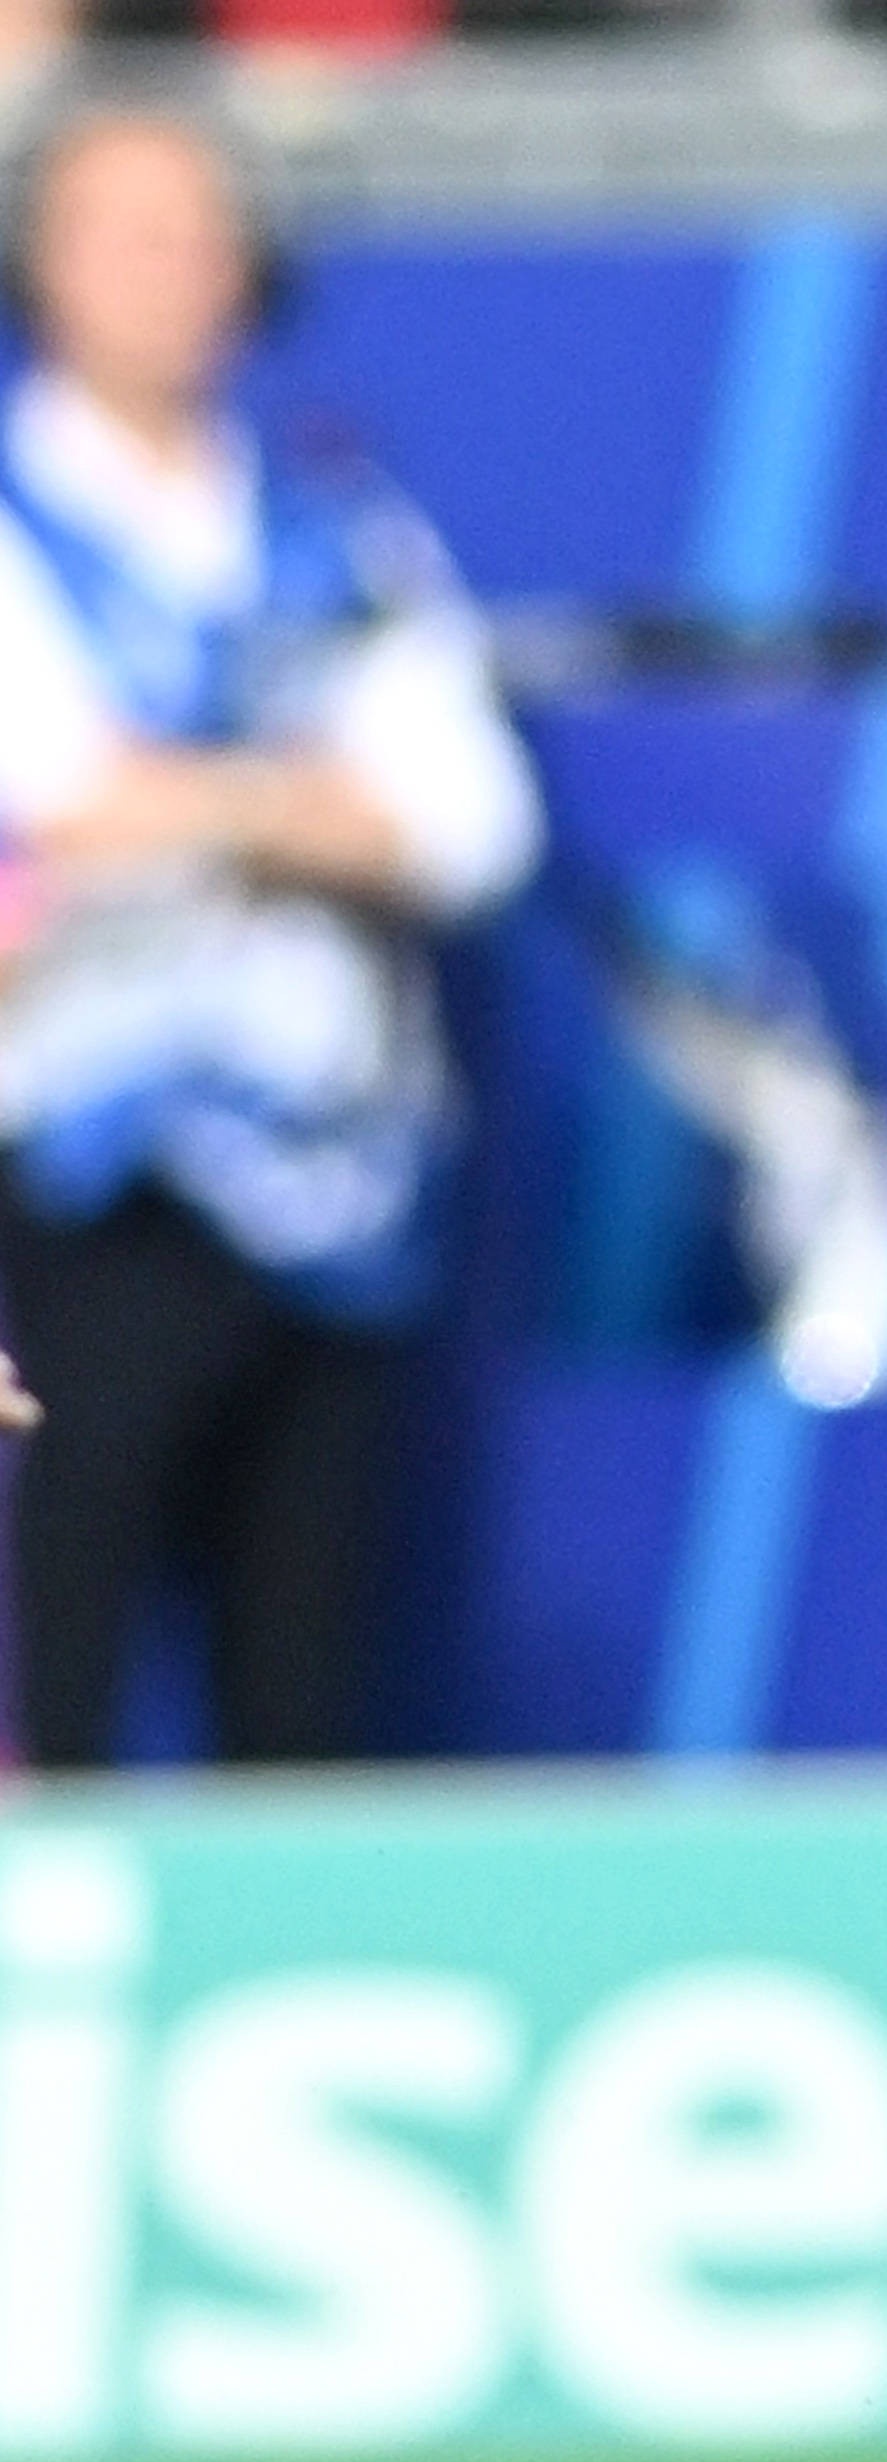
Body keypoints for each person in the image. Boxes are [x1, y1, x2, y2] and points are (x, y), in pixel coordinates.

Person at [0, 103, 536, 1771]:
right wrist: (300, 796)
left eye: (200, 235)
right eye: (126, 234)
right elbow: (61, 802)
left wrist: (192, 800)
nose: (171, 274)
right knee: (57, 1680)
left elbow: (469, 825)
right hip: (91, 1192)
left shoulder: (335, 525)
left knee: (304, 1714)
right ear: (38, 261)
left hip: (339, 1197)